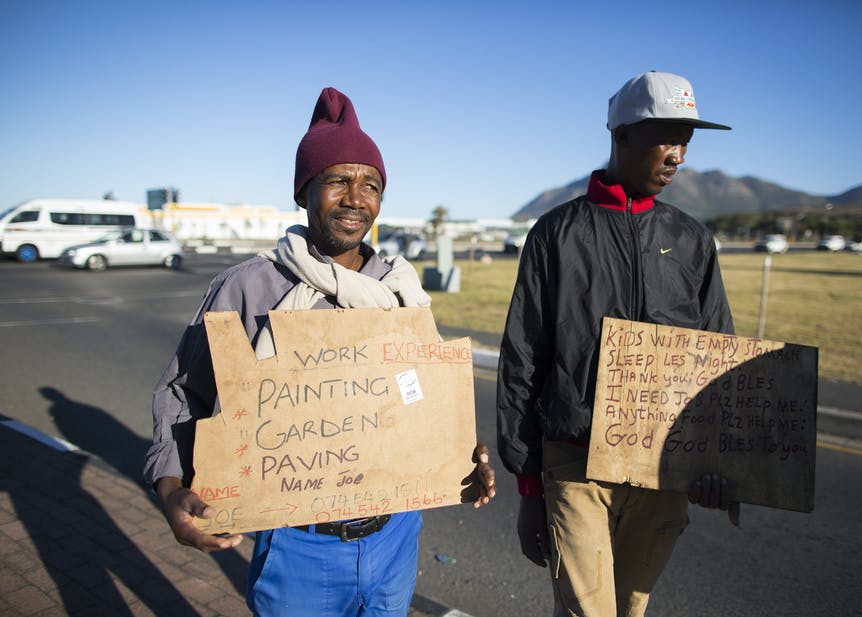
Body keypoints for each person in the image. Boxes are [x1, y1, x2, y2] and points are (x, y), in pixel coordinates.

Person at [144, 87, 496, 617]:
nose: (357, 197)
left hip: (395, 535)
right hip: (296, 540)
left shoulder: (399, 290)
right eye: (338, 181)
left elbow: (419, 391)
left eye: (371, 185)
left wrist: (459, 452)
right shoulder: (248, 289)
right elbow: (183, 393)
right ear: (303, 190)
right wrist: (171, 490)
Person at [496, 71, 738, 617]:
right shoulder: (555, 234)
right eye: (667, 137)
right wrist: (530, 490)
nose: (678, 154)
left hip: (663, 471)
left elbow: (718, 359)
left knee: (630, 608)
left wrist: (719, 459)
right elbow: (523, 361)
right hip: (575, 466)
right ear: (622, 135)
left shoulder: (693, 240)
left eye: (686, 141)